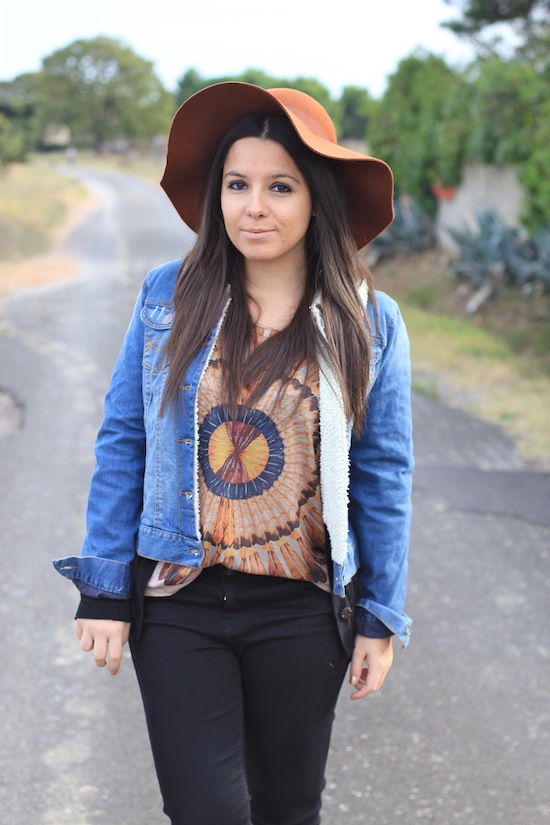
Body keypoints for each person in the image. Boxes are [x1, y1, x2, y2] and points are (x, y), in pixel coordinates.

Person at [53, 81, 414, 825]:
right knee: (205, 810)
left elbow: (384, 471)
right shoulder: (169, 295)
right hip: (178, 601)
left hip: (302, 610)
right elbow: (124, 437)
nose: (255, 206)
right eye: (237, 184)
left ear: (316, 199)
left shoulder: (369, 320)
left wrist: (381, 615)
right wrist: (105, 585)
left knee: (286, 807)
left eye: (280, 187)